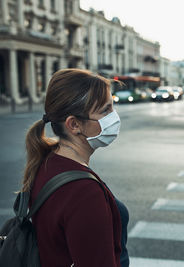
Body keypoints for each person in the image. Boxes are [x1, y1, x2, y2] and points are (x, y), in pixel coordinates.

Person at [22, 69, 129, 267]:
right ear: (74, 125)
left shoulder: (48, 161)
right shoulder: (83, 192)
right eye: (105, 110)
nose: (113, 117)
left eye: (112, 107)